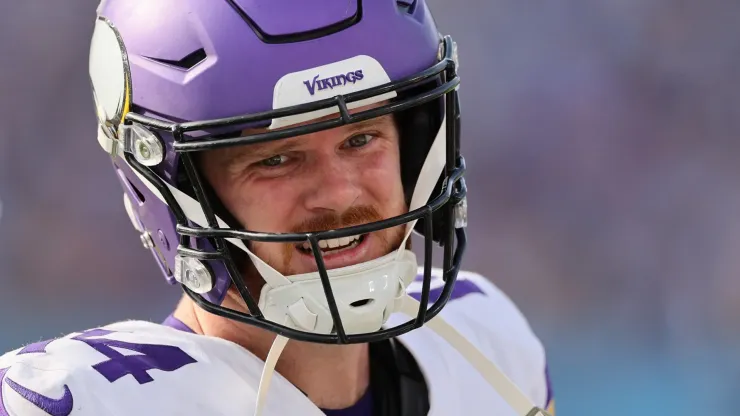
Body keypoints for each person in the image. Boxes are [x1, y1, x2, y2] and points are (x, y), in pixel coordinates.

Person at [0, 1, 555, 415]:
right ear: (172, 189)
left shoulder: (489, 346)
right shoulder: (84, 401)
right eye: (278, 159)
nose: (339, 194)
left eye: (361, 139)